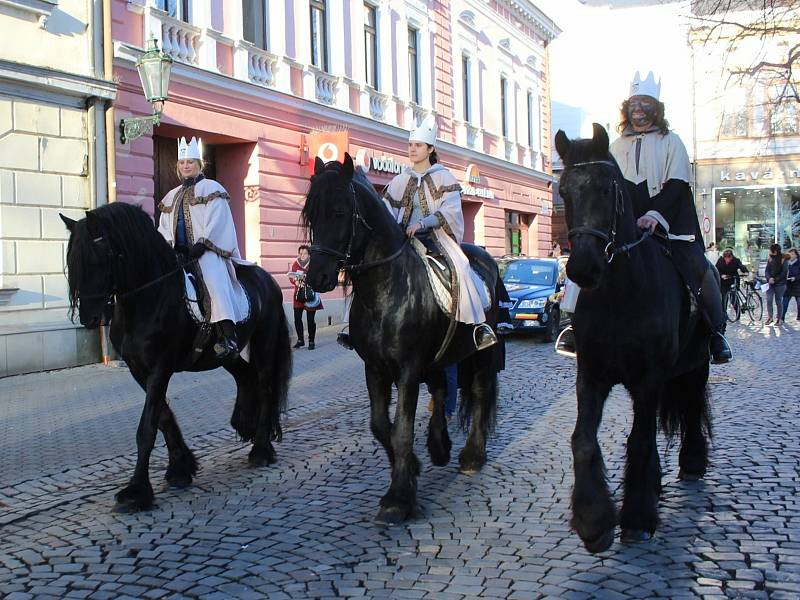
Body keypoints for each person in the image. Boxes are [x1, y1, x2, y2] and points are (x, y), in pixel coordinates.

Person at [557, 71, 732, 363]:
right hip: (625, 226)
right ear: (627, 107)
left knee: (698, 268)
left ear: (656, 108)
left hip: (669, 225)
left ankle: (715, 331)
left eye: (645, 103)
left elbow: (677, 184)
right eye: (634, 103)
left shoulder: (671, 142)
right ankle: (575, 329)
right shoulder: (614, 147)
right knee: (587, 264)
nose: (638, 108)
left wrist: (654, 215)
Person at [383, 115, 497, 350]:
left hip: (436, 238)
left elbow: (451, 209)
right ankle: (358, 328)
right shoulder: (399, 180)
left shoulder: (444, 176)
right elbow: (385, 210)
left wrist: (423, 223)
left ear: (430, 148)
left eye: (418, 146)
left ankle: (476, 327)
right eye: (410, 145)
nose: (413, 150)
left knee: (461, 269)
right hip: (402, 239)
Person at [157, 136, 245, 360]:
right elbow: (164, 226)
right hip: (178, 254)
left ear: (199, 164)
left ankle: (228, 336)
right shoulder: (172, 195)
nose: (186, 166)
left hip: (206, 251)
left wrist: (203, 242)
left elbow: (218, 219)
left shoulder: (212, 188)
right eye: (182, 162)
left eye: (190, 162)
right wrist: (166, 245)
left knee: (214, 281)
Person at [288, 245, 323, 350]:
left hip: (310, 295)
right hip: (298, 295)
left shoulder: (313, 265)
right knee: (297, 319)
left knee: (310, 320)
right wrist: (295, 281)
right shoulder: (295, 264)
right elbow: (292, 277)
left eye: (304, 253)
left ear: (309, 254)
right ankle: (300, 340)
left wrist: (307, 280)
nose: (302, 255)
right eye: (300, 253)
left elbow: (318, 277)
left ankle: (311, 341)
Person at [764, 243, 788, 325]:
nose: (769, 251)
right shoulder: (770, 259)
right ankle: (770, 317)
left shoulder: (783, 259)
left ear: (775, 251)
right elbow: (767, 270)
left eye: (770, 250)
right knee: (769, 300)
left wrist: (775, 279)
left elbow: (784, 272)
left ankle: (779, 318)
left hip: (780, 284)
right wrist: (769, 278)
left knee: (778, 301)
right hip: (770, 283)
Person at [782, 248, 800, 321]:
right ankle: (781, 317)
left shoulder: (799, 263)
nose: (791, 256)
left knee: (799, 303)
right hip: (788, 285)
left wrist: (795, 278)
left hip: (798, 285)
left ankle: (799, 316)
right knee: (785, 302)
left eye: (793, 254)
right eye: (790, 254)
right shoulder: (786, 262)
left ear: (796, 255)